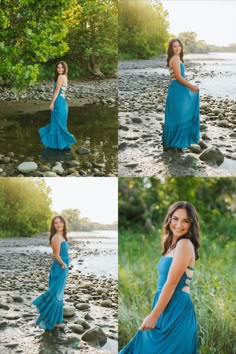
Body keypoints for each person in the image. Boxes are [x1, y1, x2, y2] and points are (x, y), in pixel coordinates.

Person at [119, 201, 200, 354]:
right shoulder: (171, 244)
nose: (179, 225)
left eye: (185, 221)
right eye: (175, 219)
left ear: (192, 224)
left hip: (177, 311)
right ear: (169, 218)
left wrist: (153, 316)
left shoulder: (184, 244)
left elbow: (171, 283)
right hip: (164, 306)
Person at [32, 216, 69, 330]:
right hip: (60, 267)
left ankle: (56, 321)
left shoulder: (62, 236)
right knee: (55, 294)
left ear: (63, 223)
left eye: (60, 222)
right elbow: (56, 255)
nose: (58, 225)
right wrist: (63, 264)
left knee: (59, 294)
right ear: (53, 225)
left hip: (63, 267)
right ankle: (50, 320)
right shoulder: (56, 237)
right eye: (56, 223)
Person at [162, 39, 200, 150]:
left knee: (177, 116)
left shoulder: (174, 58)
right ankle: (176, 143)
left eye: (179, 46)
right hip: (177, 90)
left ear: (182, 47)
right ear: (171, 48)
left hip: (177, 90)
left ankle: (172, 143)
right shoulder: (175, 58)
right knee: (180, 115)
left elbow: (178, 77)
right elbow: (178, 77)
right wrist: (191, 86)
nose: (177, 48)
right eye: (174, 46)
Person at [39, 61, 77, 150]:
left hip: (59, 103)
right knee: (59, 125)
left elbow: (56, 91)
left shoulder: (61, 77)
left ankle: (60, 144)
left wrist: (52, 102)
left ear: (65, 68)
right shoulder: (64, 77)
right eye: (58, 67)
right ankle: (60, 145)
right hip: (62, 102)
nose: (60, 69)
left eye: (62, 67)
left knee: (58, 124)